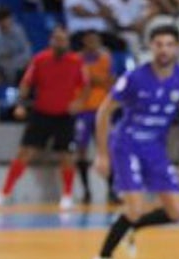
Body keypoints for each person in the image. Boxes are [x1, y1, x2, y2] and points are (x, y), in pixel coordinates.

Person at [85, 24, 179, 259]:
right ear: (151, 47)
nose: (164, 49)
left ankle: (131, 227)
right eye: (158, 44)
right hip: (126, 145)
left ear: (177, 48)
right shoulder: (135, 77)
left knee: (176, 212)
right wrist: (102, 155)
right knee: (135, 207)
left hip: (155, 149)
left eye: (169, 44)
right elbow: (104, 112)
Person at [0, 27, 85, 210]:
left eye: (63, 40)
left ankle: (67, 196)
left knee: (67, 155)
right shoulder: (40, 59)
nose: (59, 42)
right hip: (41, 113)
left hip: (65, 116)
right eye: (56, 39)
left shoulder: (76, 62)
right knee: (24, 152)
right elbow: (26, 83)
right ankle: (3, 193)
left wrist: (79, 102)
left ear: (68, 42)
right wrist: (20, 104)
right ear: (51, 41)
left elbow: (85, 86)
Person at [73, 30, 116, 205]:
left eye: (96, 41)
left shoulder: (106, 58)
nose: (93, 44)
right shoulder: (75, 59)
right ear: (84, 42)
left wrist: (93, 79)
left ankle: (112, 190)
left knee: (106, 150)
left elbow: (110, 82)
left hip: (101, 110)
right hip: (82, 110)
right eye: (90, 40)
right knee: (80, 150)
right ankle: (86, 191)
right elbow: (76, 81)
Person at [0, 8, 31, 85]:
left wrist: (20, 63)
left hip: (21, 66)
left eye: (6, 19)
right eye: (1, 20)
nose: (4, 22)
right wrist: (15, 65)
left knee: (30, 68)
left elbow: (27, 51)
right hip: (4, 70)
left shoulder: (19, 30)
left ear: (10, 19)